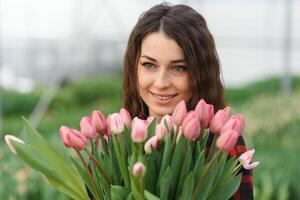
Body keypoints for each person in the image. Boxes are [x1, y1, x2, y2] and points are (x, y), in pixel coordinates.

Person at [122, 3, 253, 200]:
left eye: (178, 68)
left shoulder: (222, 145)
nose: (161, 83)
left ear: (201, 72)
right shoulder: (117, 143)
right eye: (149, 65)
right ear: (135, 68)